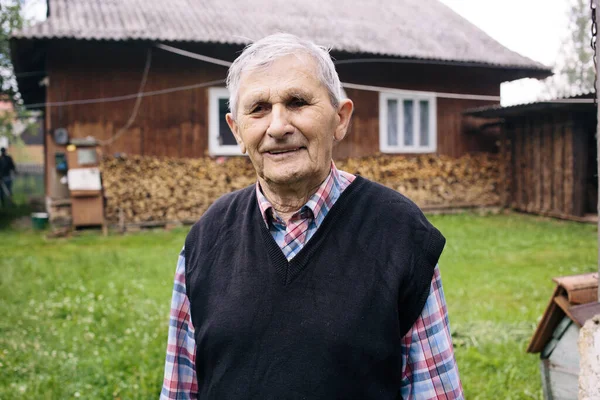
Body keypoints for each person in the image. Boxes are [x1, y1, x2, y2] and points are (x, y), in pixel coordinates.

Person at [161, 33, 463, 400]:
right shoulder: (206, 240)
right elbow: (180, 390)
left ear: (340, 119)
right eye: (258, 109)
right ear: (237, 131)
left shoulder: (400, 234)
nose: (277, 127)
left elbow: (436, 393)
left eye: (297, 102)